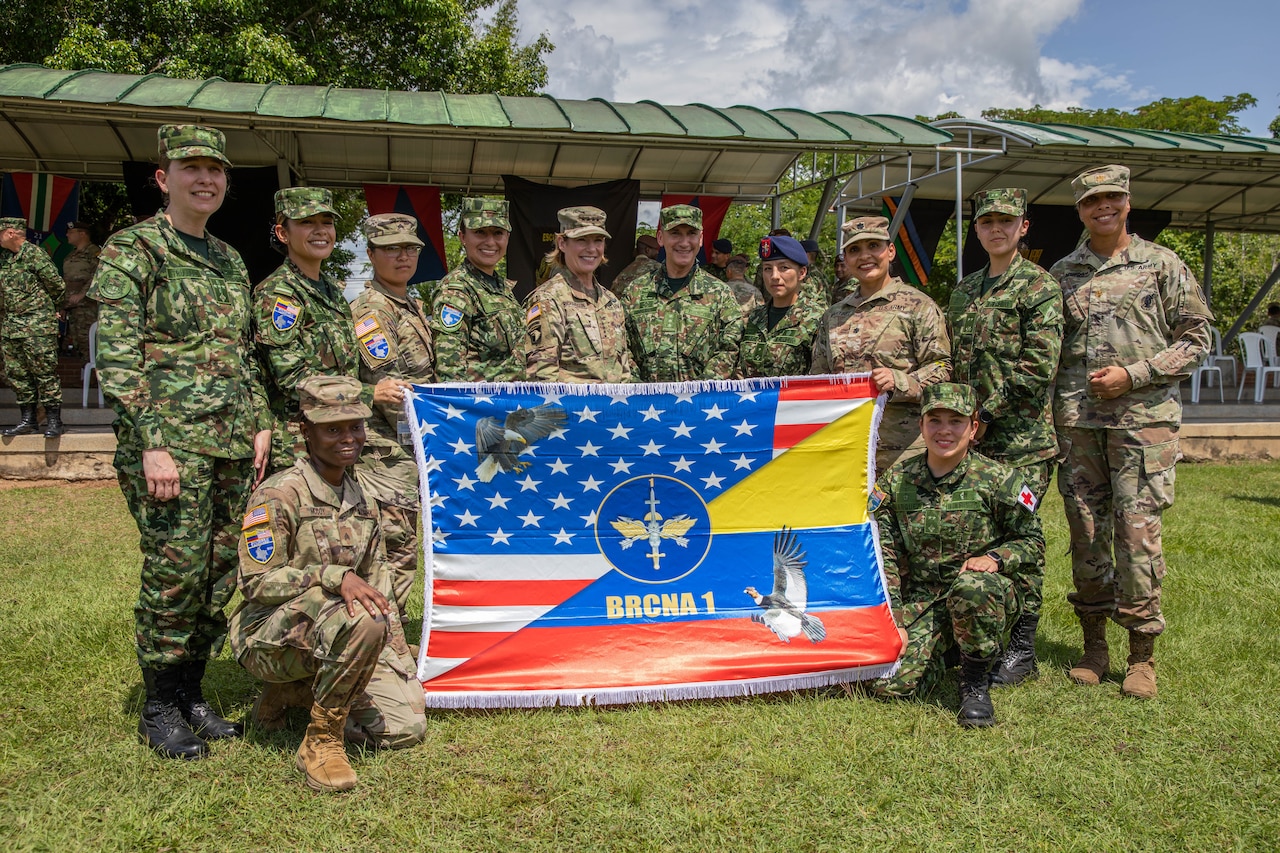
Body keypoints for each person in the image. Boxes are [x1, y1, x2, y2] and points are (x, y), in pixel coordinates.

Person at [88, 124, 272, 759]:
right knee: (175, 572)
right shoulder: (134, 249)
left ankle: (192, 690)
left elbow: (242, 355)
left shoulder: (228, 259)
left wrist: (258, 425)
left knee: (220, 572)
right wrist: (153, 442)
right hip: (170, 444)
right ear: (164, 179)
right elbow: (116, 355)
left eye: (216, 171)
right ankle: (159, 704)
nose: (206, 179)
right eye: (191, 168)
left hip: (227, 445)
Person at [1051, 164, 1212, 700]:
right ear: (1079, 210)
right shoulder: (1063, 272)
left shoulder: (1161, 264)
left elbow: (1197, 338)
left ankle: (1141, 653)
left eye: (1112, 198)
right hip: (1079, 427)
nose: (1103, 208)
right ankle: (1094, 646)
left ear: (1127, 201)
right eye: (1092, 201)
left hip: (1143, 427)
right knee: (1087, 533)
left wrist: (1135, 375)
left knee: (1137, 535)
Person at [231, 375, 426, 792]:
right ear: (306, 431)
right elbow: (255, 583)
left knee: (407, 727)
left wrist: (398, 662)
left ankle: (295, 693)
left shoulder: (361, 495)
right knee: (361, 620)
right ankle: (321, 741)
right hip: (268, 636)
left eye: (355, 426)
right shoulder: (278, 494)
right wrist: (332, 576)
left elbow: (380, 588)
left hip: (342, 631)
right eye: (332, 429)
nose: (348, 438)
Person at [254, 188, 420, 617]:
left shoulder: (329, 290)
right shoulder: (281, 294)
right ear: (282, 232)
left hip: (334, 445)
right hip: (299, 443)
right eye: (307, 223)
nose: (320, 231)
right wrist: (367, 395)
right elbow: (291, 377)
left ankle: (358, 646)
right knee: (310, 555)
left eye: (325, 223)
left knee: (345, 549)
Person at [869, 383, 1043, 728]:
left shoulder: (1000, 480)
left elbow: (1032, 540)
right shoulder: (897, 481)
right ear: (921, 426)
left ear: (973, 428)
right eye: (935, 420)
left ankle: (975, 683)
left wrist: (996, 557)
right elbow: (883, 552)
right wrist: (894, 622)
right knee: (890, 686)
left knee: (972, 586)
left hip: (984, 595)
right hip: (927, 599)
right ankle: (949, 647)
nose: (944, 431)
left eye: (956, 421)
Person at [946, 188, 1063, 686]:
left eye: (1006, 221)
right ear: (976, 229)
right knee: (975, 537)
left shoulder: (1039, 287)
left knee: (1021, 536)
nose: (996, 229)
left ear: (1023, 227)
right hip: (974, 441)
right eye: (987, 221)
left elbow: (1038, 367)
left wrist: (984, 417)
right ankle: (977, 633)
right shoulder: (964, 290)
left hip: (1022, 443)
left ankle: (1021, 646)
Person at [810, 215, 950, 474]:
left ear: (891, 251)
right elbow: (818, 379)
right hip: (845, 450)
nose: (865, 256)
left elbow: (942, 368)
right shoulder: (833, 315)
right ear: (846, 259)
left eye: (873, 246)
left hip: (901, 455)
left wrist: (900, 381)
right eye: (854, 250)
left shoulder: (918, 306)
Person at [623, 204, 744, 381]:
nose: (684, 242)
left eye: (691, 234)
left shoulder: (720, 295)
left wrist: (696, 395)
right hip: (645, 404)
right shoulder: (635, 292)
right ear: (660, 238)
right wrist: (641, 394)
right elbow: (622, 349)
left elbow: (729, 349)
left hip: (700, 404)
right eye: (675, 233)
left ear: (701, 239)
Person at [350, 213, 436, 446]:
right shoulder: (373, 309)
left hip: (419, 438)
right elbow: (390, 394)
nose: (403, 257)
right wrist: (435, 438)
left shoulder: (407, 304)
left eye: (410, 248)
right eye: (391, 248)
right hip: (396, 449)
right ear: (371, 254)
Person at [524, 206, 634, 383]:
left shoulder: (611, 301)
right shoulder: (548, 300)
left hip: (612, 409)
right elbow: (541, 379)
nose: (592, 249)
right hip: (569, 410)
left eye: (598, 240)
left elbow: (623, 372)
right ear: (562, 243)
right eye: (582, 240)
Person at [430, 197, 528, 381]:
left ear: (507, 238)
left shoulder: (500, 287)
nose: (490, 242)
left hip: (511, 404)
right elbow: (449, 372)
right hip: (482, 405)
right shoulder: (457, 290)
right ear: (463, 237)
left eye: (498, 233)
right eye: (480, 232)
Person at [0, 217, 65, 438]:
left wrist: (51, 310)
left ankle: (54, 421)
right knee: (17, 374)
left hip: (37, 325)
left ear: (10, 233)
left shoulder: (34, 255)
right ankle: (28, 420)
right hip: (11, 326)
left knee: (44, 372)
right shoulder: (5, 258)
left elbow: (56, 285)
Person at [736, 236, 823, 378]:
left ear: (802, 273)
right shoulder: (754, 317)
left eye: (784, 268)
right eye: (768, 269)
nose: (774, 276)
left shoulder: (816, 319)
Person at [62, 220, 100, 361]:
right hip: (73, 308)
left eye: (71, 232)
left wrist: (82, 294)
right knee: (78, 343)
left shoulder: (94, 253)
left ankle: (95, 380)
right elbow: (67, 281)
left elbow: (97, 275)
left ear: (82, 234)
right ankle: (86, 377)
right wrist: (63, 305)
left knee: (89, 343)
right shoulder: (70, 256)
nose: (67, 235)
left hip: (87, 307)